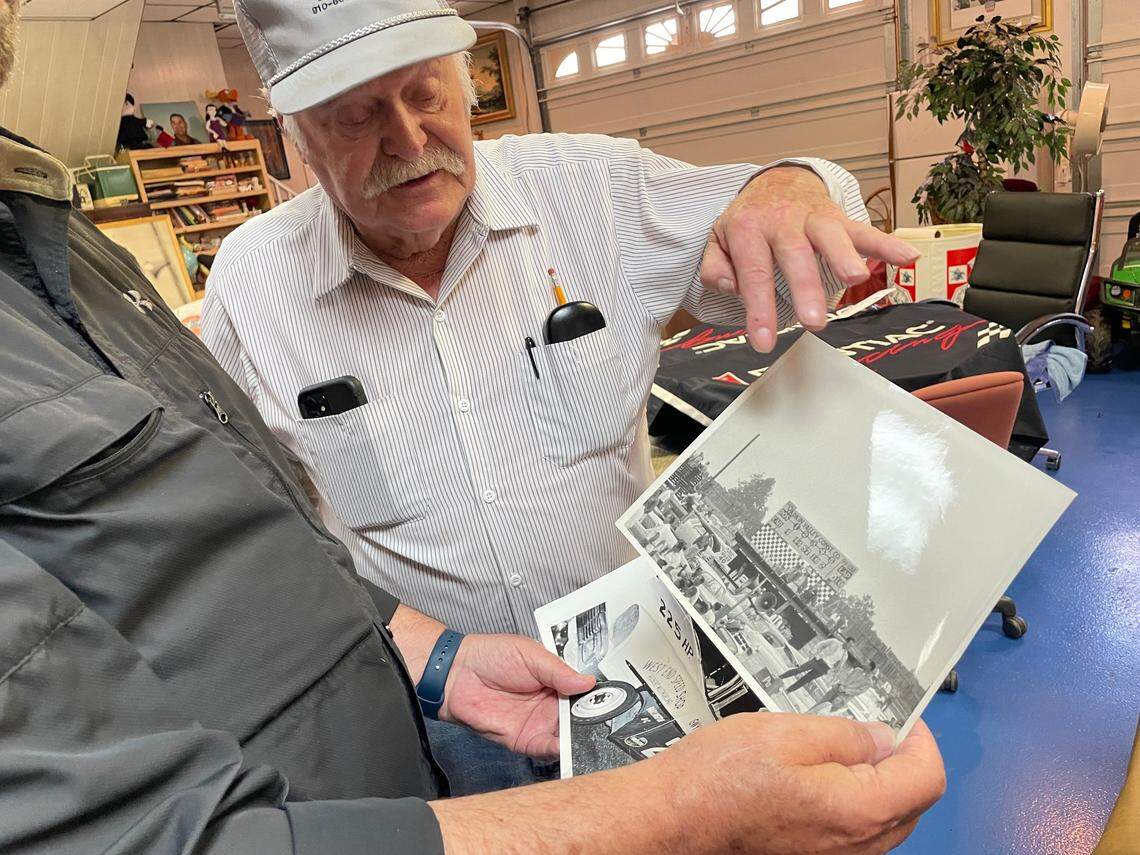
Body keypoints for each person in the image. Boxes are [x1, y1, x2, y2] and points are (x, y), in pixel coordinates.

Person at [0, 3, 947, 854]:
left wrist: (788, 183)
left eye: (426, 92)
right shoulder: (253, 283)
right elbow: (262, 511)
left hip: (649, 669)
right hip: (451, 704)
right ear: (294, 137)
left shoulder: (590, 189)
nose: (409, 139)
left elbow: (781, 201)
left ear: (464, 79)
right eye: (356, 115)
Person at [781, 635, 851, 694]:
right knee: (799, 670)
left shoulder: (845, 655)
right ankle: (780, 677)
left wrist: (832, 672)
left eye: (850, 646)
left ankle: (788, 690)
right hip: (818, 660)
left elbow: (839, 667)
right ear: (845, 641)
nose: (849, 646)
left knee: (806, 680)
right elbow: (821, 644)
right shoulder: (835, 641)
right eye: (849, 644)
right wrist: (813, 652)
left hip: (825, 668)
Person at [808, 661, 879, 716]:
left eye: (866, 662)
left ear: (869, 667)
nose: (864, 662)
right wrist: (841, 684)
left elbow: (858, 691)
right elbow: (845, 676)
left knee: (828, 711)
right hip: (837, 688)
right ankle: (806, 714)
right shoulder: (857, 669)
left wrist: (845, 690)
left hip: (844, 697)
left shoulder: (868, 682)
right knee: (821, 702)